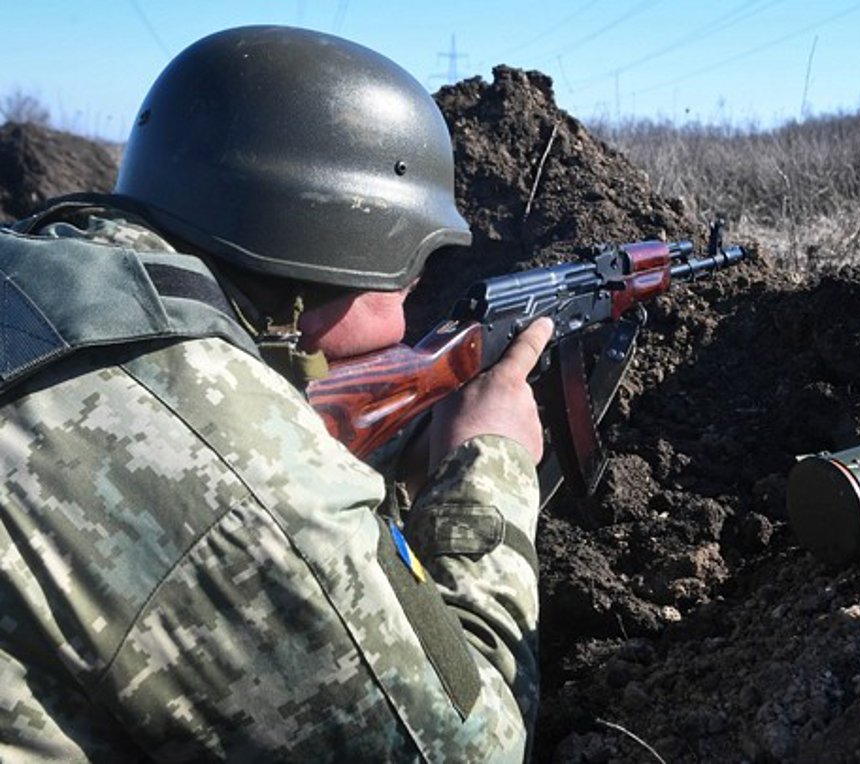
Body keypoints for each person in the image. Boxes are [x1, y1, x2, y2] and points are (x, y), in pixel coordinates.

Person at [0, 25, 552, 761]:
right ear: (338, 243)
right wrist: (493, 465)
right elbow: (468, 749)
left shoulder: (38, 274)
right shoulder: (241, 476)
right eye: (411, 274)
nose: (408, 310)